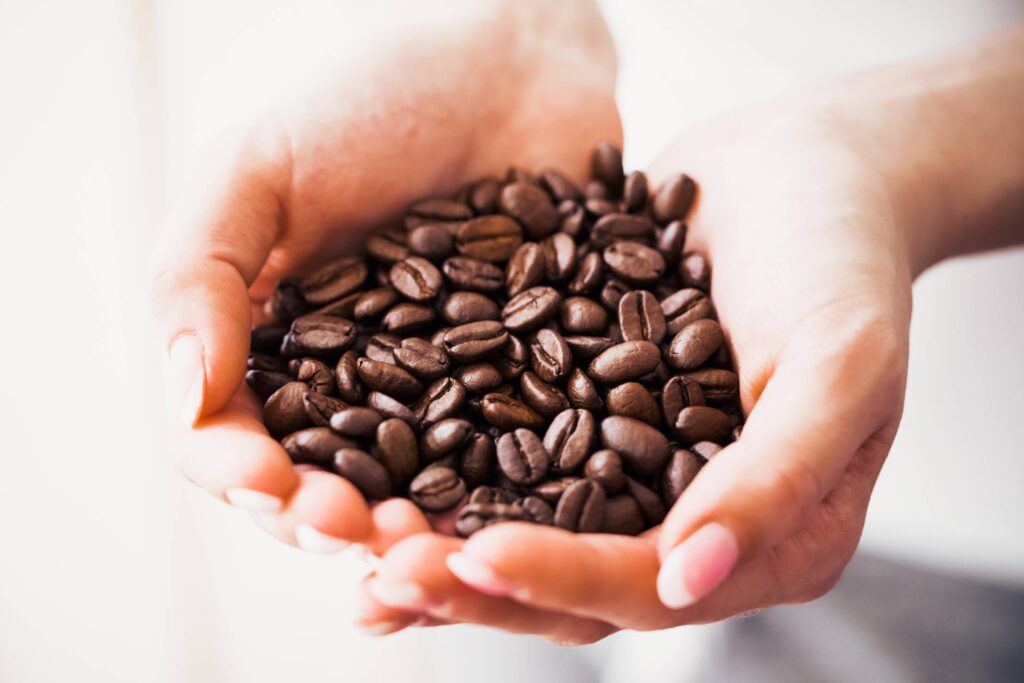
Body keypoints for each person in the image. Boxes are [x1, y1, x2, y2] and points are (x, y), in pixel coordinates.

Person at [150, 0, 1024, 650]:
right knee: (486, 578)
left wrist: (898, 150)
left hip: (964, 511)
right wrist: (526, 20)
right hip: (544, 497)